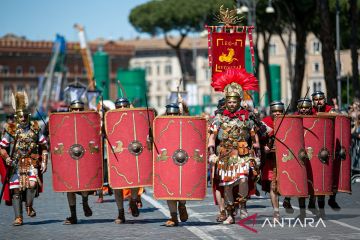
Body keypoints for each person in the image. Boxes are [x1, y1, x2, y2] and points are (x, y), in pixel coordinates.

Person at [208, 68, 259, 224]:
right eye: (229, 102)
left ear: (239, 101)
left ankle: (242, 203)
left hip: (242, 154)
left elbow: (254, 137)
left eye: (234, 102)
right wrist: (211, 152)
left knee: (243, 179)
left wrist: (256, 155)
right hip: (224, 155)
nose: (231, 104)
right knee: (227, 186)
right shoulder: (219, 118)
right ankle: (230, 214)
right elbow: (212, 137)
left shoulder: (247, 117)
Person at [0, 92, 48, 226]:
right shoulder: (11, 129)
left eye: (25, 116)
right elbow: (2, 148)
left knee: (32, 185)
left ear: (28, 116)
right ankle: (18, 217)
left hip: (31, 162)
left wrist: (44, 161)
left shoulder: (35, 128)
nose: (22, 119)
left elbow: (44, 146)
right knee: (16, 190)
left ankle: (29, 205)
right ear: (17, 117)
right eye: (20, 116)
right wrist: (7, 158)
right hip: (16, 163)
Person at [260, 101, 293, 219]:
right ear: (271, 112)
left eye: (279, 111)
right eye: (275, 111)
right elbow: (259, 139)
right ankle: (276, 211)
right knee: (273, 186)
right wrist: (264, 147)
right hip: (271, 160)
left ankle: (287, 199)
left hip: (286, 159)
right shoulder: (265, 123)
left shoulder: (289, 121)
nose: (277, 113)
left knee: (290, 181)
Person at [112, 97, 141, 224]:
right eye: (120, 107)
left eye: (124, 106)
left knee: (134, 182)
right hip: (117, 157)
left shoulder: (135, 120)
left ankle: (133, 200)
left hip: (132, 155)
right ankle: (120, 213)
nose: (122, 109)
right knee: (117, 186)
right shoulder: (111, 120)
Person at [64, 100, 93, 225]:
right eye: (75, 109)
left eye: (80, 109)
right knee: (69, 188)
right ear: (70, 110)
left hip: (84, 156)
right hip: (70, 157)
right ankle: (73, 216)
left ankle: (85, 201)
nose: (77, 112)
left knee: (84, 184)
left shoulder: (87, 122)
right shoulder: (64, 123)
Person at [311, 91, 341, 211]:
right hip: (314, 147)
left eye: (321, 99)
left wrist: (335, 110)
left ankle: (332, 199)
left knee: (332, 174)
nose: (319, 101)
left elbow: (338, 119)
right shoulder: (309, 110)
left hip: (329, 147)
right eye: (316, 99)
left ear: (325, 99)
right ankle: (316, 204)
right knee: (317, 176)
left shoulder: (330, 109)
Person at [163, 102, 190, 227]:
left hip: (182, 160)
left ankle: (182, 205)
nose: (172, 116)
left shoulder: (184, 125)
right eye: (170, 114)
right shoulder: (161, 126)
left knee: (182, 188)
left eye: (174, 114)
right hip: (167, 162)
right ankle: (173, 217)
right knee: (169, 191)